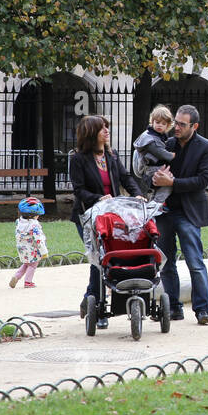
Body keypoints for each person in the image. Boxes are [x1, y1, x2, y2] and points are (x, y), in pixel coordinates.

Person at [69, 114, 143, 328]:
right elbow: (79, 189)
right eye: (103, 128)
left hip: (110, 214)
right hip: (89, 215)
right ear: (92, 133)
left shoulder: (111, 155)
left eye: (107, 127)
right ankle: (99, 307)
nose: (107, 131)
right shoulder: (78, 159)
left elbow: (126, 177)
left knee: (108, 258)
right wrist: (98, 198)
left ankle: (90, 298)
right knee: (97, 260)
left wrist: (137, 194)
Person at [151, 104, 208, 325]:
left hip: (188, 213)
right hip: (164, 211)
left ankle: (202, 310)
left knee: (195, 262)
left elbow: (203, 180)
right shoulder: (166, 143)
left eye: (181, 124)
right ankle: (175, 308)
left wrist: (173, 182)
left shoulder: (206, 147)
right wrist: (155, 178)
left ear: (194, 126)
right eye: (175, 122)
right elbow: (152, 172)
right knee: (166, 263)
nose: (175, 127)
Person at [132, 104, 176, 205]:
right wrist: (172, 155)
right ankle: (157, 204)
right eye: (157, 122)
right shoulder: (150, 138)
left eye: (163, 123)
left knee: (161, 185)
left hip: (156, 167)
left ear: (168, 125)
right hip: (152, 169)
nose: (160, 125)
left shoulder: (159, 136)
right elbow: (160, 153)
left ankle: (155, 203)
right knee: (169, 183)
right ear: (152, 122)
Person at [10, 197, 49, 289]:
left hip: (22, 248)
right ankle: (28, 282)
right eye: (37, 215)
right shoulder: (34, 225)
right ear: (32, 215)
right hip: (32, 249)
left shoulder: (19, 222)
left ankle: (17, 276)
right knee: (33, 265)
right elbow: (38, 239)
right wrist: (44, 252)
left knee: (27, 263)